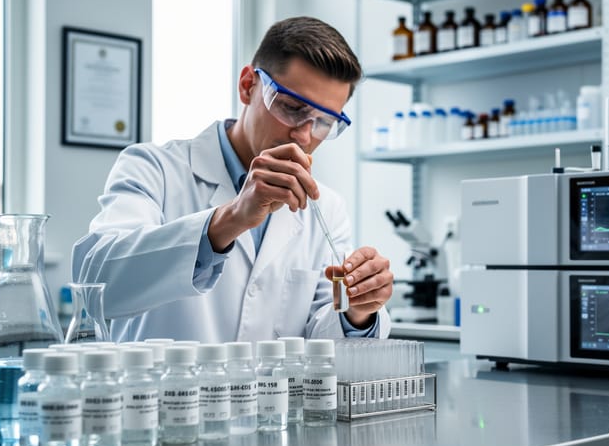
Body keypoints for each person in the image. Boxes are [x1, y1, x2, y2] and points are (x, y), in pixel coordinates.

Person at [72, 17, 394, 343]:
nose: (304, 135)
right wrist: (230, 219)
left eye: (324, 122)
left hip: (272, 395)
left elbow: (324, 337)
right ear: (247, 86)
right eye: (292, 107)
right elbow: (97, 283)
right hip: (162, 393)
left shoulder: (327, 207)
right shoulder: (153, 168)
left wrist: (358, 311)